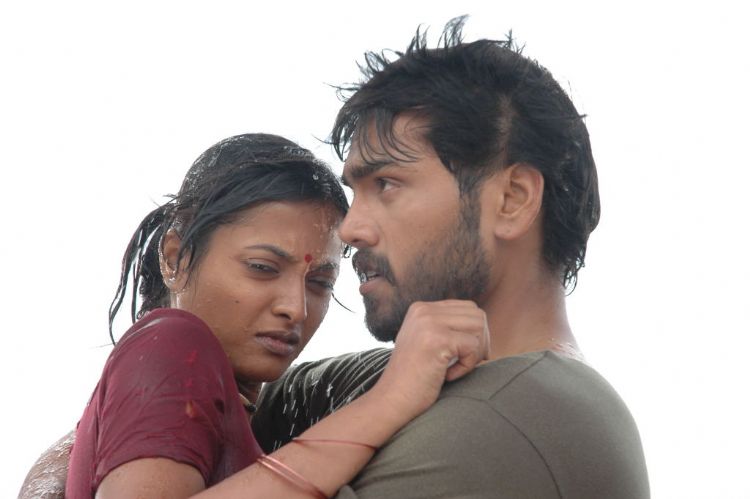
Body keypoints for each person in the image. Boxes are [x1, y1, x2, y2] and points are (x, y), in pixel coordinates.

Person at [21, 17, 649, 498]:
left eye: (387, 184)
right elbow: (158, 409)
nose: (350, 228)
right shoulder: (401, 376)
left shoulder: (500, 428)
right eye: (261, 267)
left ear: (511, 200)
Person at [58, 133, 489, 498]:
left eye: (319, 282)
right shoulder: (172, 341)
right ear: (175, 258)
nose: (295, 308)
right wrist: (390, 401)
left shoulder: (250, 408)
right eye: (262, 268)